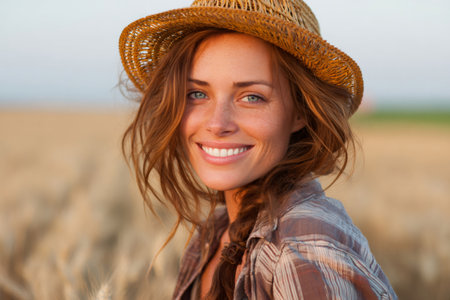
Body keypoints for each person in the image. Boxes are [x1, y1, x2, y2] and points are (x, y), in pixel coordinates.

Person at [119, 0, 397, 299]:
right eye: (197, 93)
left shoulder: (301, 252)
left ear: (300, 111)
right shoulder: (216, 232)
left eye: (252, 97)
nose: (217, 123)